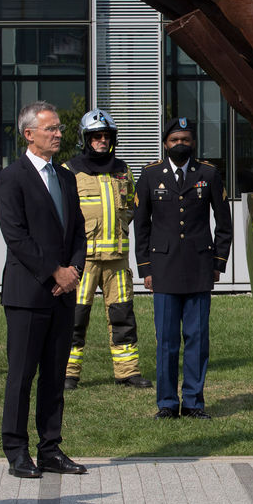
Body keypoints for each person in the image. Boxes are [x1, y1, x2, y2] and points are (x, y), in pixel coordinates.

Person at [0, 101, 87, 479]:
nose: (59, 133)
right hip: (28, 293)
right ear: (29, 133)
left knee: (54, 373)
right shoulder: (11, 177)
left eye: (60, 128)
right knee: (22, 375)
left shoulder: (65, 177)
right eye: (51, 128)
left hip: (63, 293)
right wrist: (54, 273)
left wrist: (74, 270)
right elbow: (16, 236)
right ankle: (16, 450)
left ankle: (50, 447)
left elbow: (79, 230)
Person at [134, 118, 233, 420]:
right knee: (166, 341)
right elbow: (141, 225)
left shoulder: (209, 174)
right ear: (165, 143)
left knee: (197, 338)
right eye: (175, 139)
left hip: (199, 267)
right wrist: (145, 268)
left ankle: (193, 402)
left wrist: (218, 262)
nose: (180, 144)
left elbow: (224, 224)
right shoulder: (150, 175)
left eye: (186, 139)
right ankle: (166, 403)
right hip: (162, 268)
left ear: (193, 143)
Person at [62, 109, 151, 390]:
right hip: (82, 261)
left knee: (123, 317)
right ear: (85, 140)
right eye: (95, 136)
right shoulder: (68, 171)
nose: (101, 140)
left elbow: (133, 207)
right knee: (75, 319)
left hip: (117, 261)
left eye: (106, 136)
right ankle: (67, 373)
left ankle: (128, 372)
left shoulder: (123, 170)